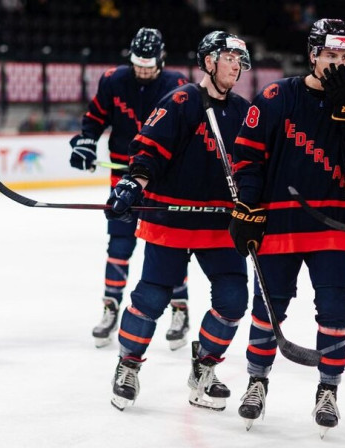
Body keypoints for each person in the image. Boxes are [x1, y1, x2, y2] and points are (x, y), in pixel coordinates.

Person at [229, 18, 345, 436]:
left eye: (344, 56)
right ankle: (256, 383)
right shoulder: (277, 96)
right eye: (330, 55)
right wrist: (247, 206)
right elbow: (248, 158)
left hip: (334, 223)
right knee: (268, 308)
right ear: (313, 54)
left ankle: (329, 390)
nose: (337, 63)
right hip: (278, 222)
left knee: (336, 311)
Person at [104, 30, 251, 412]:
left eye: (239, 59)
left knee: (234, 299)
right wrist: (132, 185)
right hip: (170, 217)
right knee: (152, 296)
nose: (235, 66)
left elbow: (255, 168)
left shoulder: (241, 111)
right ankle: (128, 364)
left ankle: (204, 369)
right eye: (228, 58)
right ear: (208, 62)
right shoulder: (180, 101)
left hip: (220, 223)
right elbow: (148, 151)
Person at [68, 27, 191, 350]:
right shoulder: (112, 80)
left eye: (149, 66)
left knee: (168, 246)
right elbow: (95, 118)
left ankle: (180, 309)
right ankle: (110, 308)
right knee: (119, 245)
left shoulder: (178, 85)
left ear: (161, 61)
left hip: (160, 180)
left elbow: (187, 132)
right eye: (139, 65)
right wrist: (85, 142)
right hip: (122, 178)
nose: (143, 71)